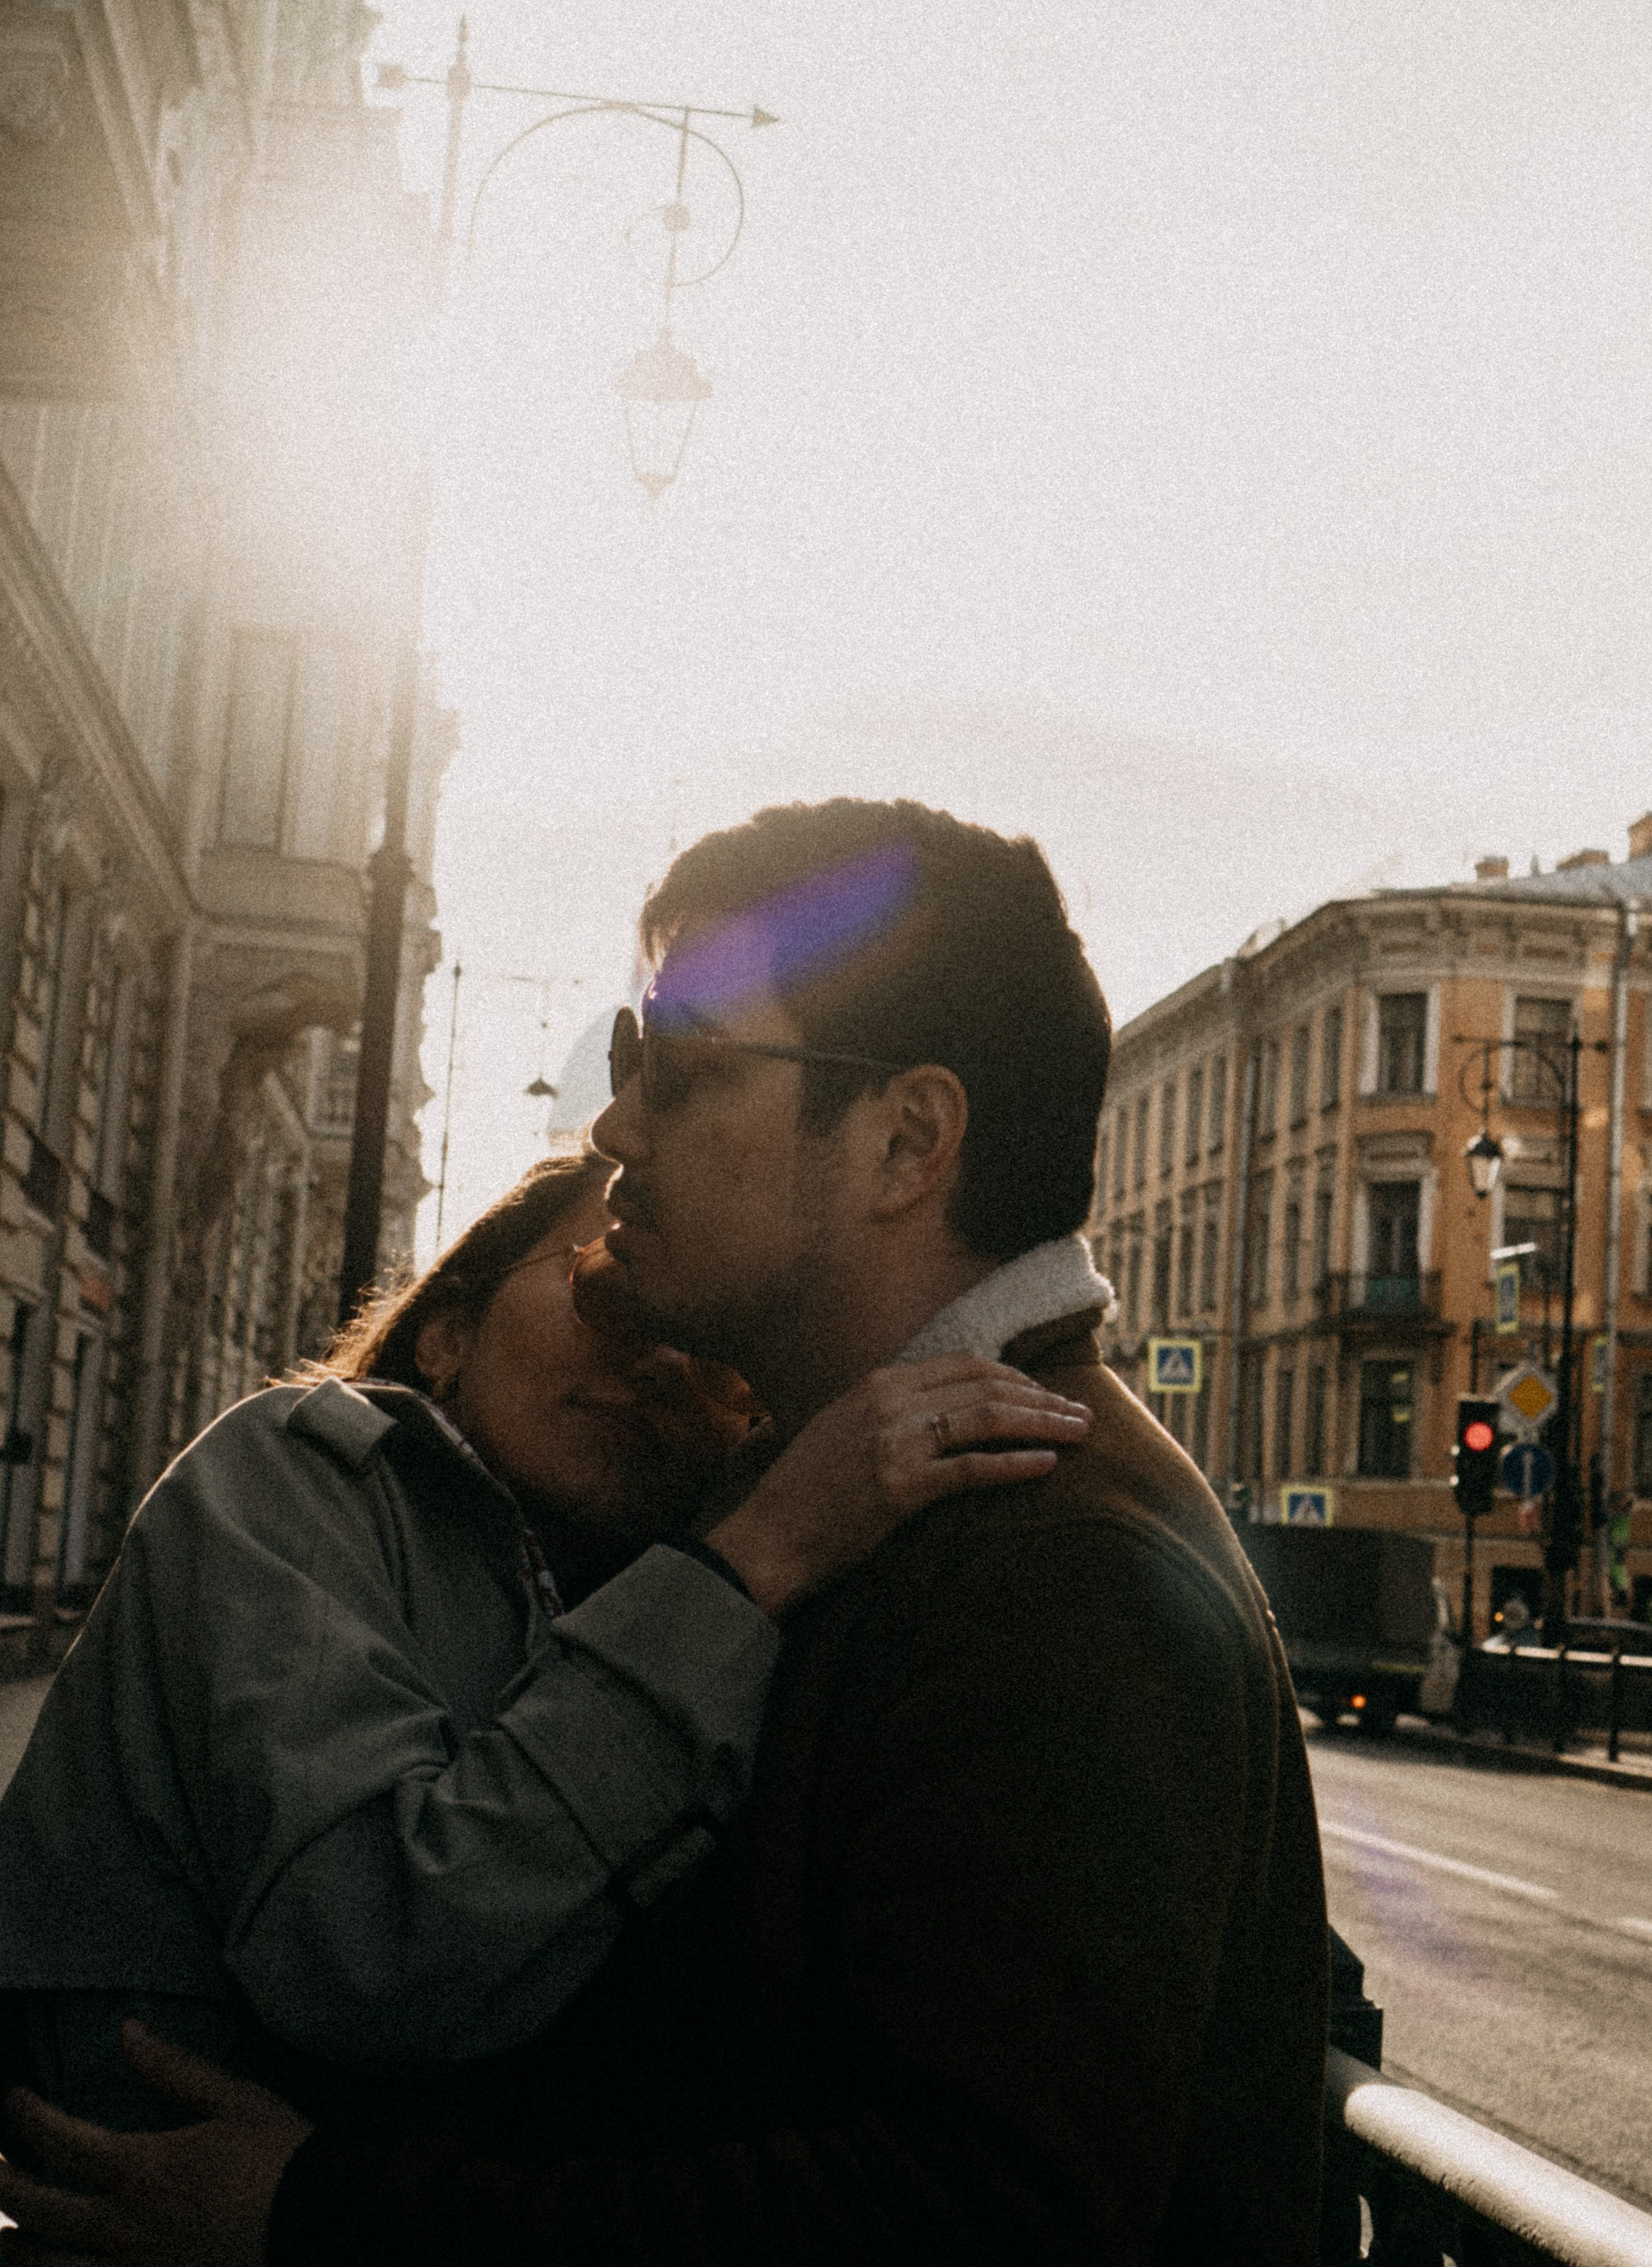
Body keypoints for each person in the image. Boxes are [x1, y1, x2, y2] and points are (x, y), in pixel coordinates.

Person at [0, 799, 1327, 2267]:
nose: (615, 1125)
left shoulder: (1054, 1561)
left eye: (681, 1070)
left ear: (904, 1140)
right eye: (629, 1064)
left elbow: (969, 2218)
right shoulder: (858, 1504)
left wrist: (328, 2212)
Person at [0, 1146, 1085, 2139]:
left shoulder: (723, 1592)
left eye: (713, 1351)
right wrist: (744, 1562)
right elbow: (373, 1952)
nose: (663, 1361)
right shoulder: (297, 1474)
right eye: (605, 1290)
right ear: (448, 1330)